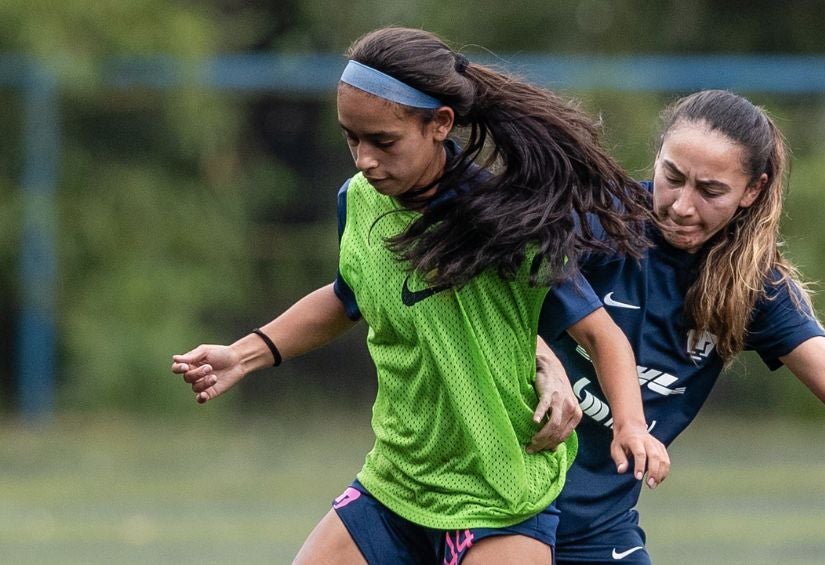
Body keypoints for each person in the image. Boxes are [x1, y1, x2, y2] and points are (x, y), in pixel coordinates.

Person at [170, 27, 669, 565]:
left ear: (440, 124)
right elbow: (346, 296)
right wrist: (243, 356)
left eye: (383, 141)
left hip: (498, 498)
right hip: (396, 485)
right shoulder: (358, 201)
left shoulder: (505, 223)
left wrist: (630, 425)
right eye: (351, 138)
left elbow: (602, 334)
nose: (364, 159)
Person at [534, 89, 825, 564]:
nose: (680, 205)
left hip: (599, 527)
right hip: (508, 501)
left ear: (751, 191)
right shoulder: (598, 219)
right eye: (671, 177)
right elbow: (484, 298)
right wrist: (543, 356)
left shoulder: (753, 284)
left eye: (710, 191)